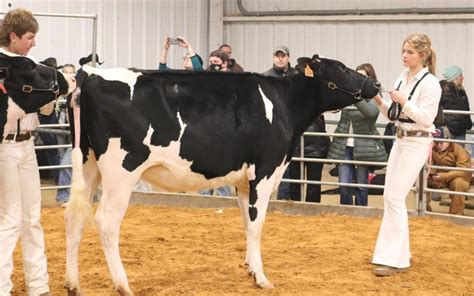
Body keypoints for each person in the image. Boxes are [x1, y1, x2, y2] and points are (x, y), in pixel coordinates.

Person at [372, 33, 442, 276]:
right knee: (388, 195)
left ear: (422, 55)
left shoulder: (431, 83)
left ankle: (396, 259)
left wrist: (404, 101)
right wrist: (380, 101)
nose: (404, 55)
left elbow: (426, 118)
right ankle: (392, 253)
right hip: (400, 139)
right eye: (404, 51)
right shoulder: (402, 77)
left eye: (410, 52)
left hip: (417, 142)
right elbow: (394, 115)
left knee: (395, 197)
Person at [0, 8, 53, 296]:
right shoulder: (1, 68)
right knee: (9, 219)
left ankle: (39, 286)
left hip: (28, 145)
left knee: (32, 218)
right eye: (30, 37)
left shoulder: (33, 64)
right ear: (14, 36)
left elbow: (47, 108)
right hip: (4, 147)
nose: (34, 42)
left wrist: (48, 99)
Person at [327, 63, 387, 206]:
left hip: (363, 146)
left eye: (363, 76)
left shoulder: (375, 95)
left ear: (370, 78)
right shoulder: (348, 93)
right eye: (357, 75)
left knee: (361, 186)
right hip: (344, 146)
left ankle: (361, 214)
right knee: (344, 184)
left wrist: (356, 98)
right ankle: (346, 215)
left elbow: (371, 113)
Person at [261, 46, 297, 200]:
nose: (280, 58)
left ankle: (289, 198)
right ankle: (269, 197)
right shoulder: (265, 77)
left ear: (288, 57)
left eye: (283, 56)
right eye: (277, 56)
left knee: (291, 165)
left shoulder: (297, 76)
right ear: (273, 58)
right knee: (272, 163)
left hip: (293, 125)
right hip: (272, 127)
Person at [198, 49, 233, 197]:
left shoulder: (233, 81)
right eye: (211, 62)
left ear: (225, 64)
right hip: (206, 128)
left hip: (225, 130)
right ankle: (204, 197)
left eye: (216, 63)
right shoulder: (206, 79)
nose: (213, 66)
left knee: (223, 166)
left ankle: (224, 198)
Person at [279, 115, 330, 202]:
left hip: (314, 146)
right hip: (297, 147)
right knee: (296, 183)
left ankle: (310, 209)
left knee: (312, 183)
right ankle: (299, 208)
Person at [427, 126, 471, 215]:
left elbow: (463, 170)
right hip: (440, 176)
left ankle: (456, 215)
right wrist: (432, 175)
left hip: (457, 177)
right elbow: (429, 165)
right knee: (421, 180)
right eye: (436, 142)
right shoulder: (433, 149)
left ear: (449, 139)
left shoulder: (459, 150)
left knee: (459, 184)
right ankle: (424, 211)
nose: (438, 145)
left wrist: (445, 176)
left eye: (441, 142)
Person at [439, 65, 472, 147]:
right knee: (451, 156)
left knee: (456, 156)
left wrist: (468, 124)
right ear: (455, 77)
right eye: (460, 75)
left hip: (456, 130)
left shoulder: (460, 91)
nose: (462, 78)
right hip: (450, 131)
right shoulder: (445, 91)